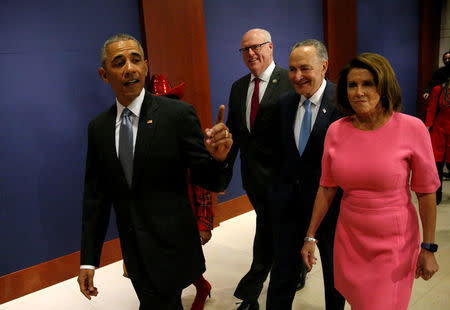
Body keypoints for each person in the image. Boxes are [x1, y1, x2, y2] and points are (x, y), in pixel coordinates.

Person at [77, 33, 233, 310]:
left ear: (146, 66)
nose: (129, 68)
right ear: (104, 74)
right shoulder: (98, 129)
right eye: (119, 62)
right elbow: (96, 199)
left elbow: (209, 180)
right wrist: (88, 259)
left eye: (136, 60)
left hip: (172, 249)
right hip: (135, 254)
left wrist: (219, 160)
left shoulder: (177, 115)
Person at [301, 53, 440, 310]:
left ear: (384, 87)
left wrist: (428, 247)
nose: (359, 92)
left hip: (393, 244)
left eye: (368, 84)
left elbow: (426, 193)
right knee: (359, 303)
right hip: (350, 239)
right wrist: (310, 237)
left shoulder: (412, 128)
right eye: (352, 85)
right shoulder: (336, 131)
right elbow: (327, 187)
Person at [225, 28, 301, 310]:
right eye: (245, 49)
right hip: (253, 180)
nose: (251, 54)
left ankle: (250, 293)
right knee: (274, 229)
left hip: (284, 180)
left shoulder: (290, 82)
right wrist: (222, 171)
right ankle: (295, 269)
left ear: (271, 47)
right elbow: (235, 133)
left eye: (256, 47)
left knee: (269, 232)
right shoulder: (238, 86)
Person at [266, 40, 345, 310]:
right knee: (282, 273)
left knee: (335, 277)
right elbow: (278, 156)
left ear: (323, 67)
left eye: (304, 68)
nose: (297, 76)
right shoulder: (284, 104)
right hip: (290, 207)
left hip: (333, 210)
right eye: (292, 69)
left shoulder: (344, 103)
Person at [425, 78, 450, 205]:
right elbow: (431, 110)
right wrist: (426, 130)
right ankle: (437, 195)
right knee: (437, 164)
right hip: (439, 129)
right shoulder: (438, 89)